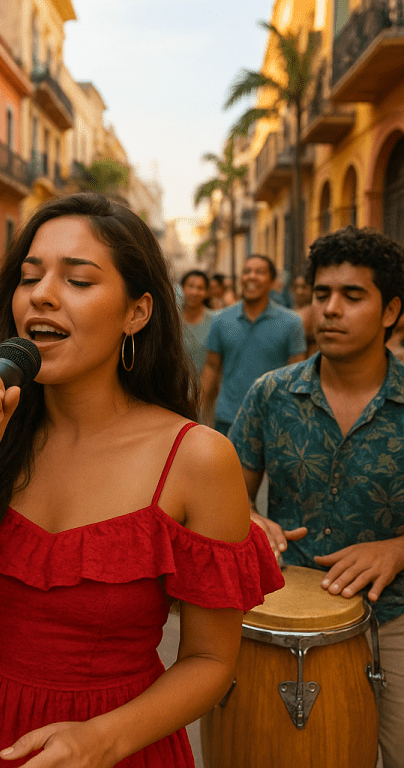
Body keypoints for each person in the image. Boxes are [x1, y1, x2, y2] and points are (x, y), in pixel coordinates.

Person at [0, 193, 283, 767]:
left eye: (79, 280)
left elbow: (211, 661)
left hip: (120, 746)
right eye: (29, 276)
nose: (42, 294)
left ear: (136, 313)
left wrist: (102, 739)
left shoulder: (197, 459)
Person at [228, 226, 404, 768]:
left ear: (391, 311)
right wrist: (251, 520)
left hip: (396, 616)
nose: (330, 309)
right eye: (320, 294)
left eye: (352, 296)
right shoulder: (271, 394)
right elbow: (228, 493)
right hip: (283, 619)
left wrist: (398, 549)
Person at [200, 254, 306, 435]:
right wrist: (198, 417)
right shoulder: (221, 321)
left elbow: (298, 375)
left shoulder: (292, 322)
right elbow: (211, 367)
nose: (252, 276)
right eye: (247, 271)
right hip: (228, 421)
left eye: (260, 272)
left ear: (272, 282)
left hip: (274, 422)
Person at [179, 269, 214, 379]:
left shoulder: (216, 321)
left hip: (208, 391)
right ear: (183, 288)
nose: (194, 292)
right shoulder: (172, 321)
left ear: (207, 292)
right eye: (190, 286)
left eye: (200, 288)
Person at [292, 271, 318, 356]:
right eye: (296, 287)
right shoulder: (294, 309)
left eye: (304, 287)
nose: (299, 291)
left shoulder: (312, 311)